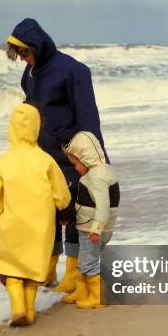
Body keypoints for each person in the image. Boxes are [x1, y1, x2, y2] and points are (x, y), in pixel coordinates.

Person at [6, 18, 107, 293]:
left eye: (26, 52)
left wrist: (92, 161)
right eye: (20, 55)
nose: (24, 59)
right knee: (46, 214)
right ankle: (48, 269)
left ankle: (74, 272)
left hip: (72, 157)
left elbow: (88, 118)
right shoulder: (29, 74)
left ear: (38, 45)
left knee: (76, 215)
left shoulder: (73, 71)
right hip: (43, 157)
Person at [0, 102, 71, 326]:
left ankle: (18, 308)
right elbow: (61, 193)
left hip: (11, 225)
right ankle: (29, 311)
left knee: (11, 268)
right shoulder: (45, 160)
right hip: (40, 226)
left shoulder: (4, 161)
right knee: (33, 270)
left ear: (11, 127)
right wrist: (64, 211)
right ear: (36, 128)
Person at [62, 131, 120, 309]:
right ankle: (83, 291)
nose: (76, 168)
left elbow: (103, 206)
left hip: (92, 230)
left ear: (86, 158)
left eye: (76, 163)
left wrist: (96, 229)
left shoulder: (96, 177)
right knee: (84, 259)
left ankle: (98, 296)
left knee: (89, 262)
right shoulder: (105, 171)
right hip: (97, 227)